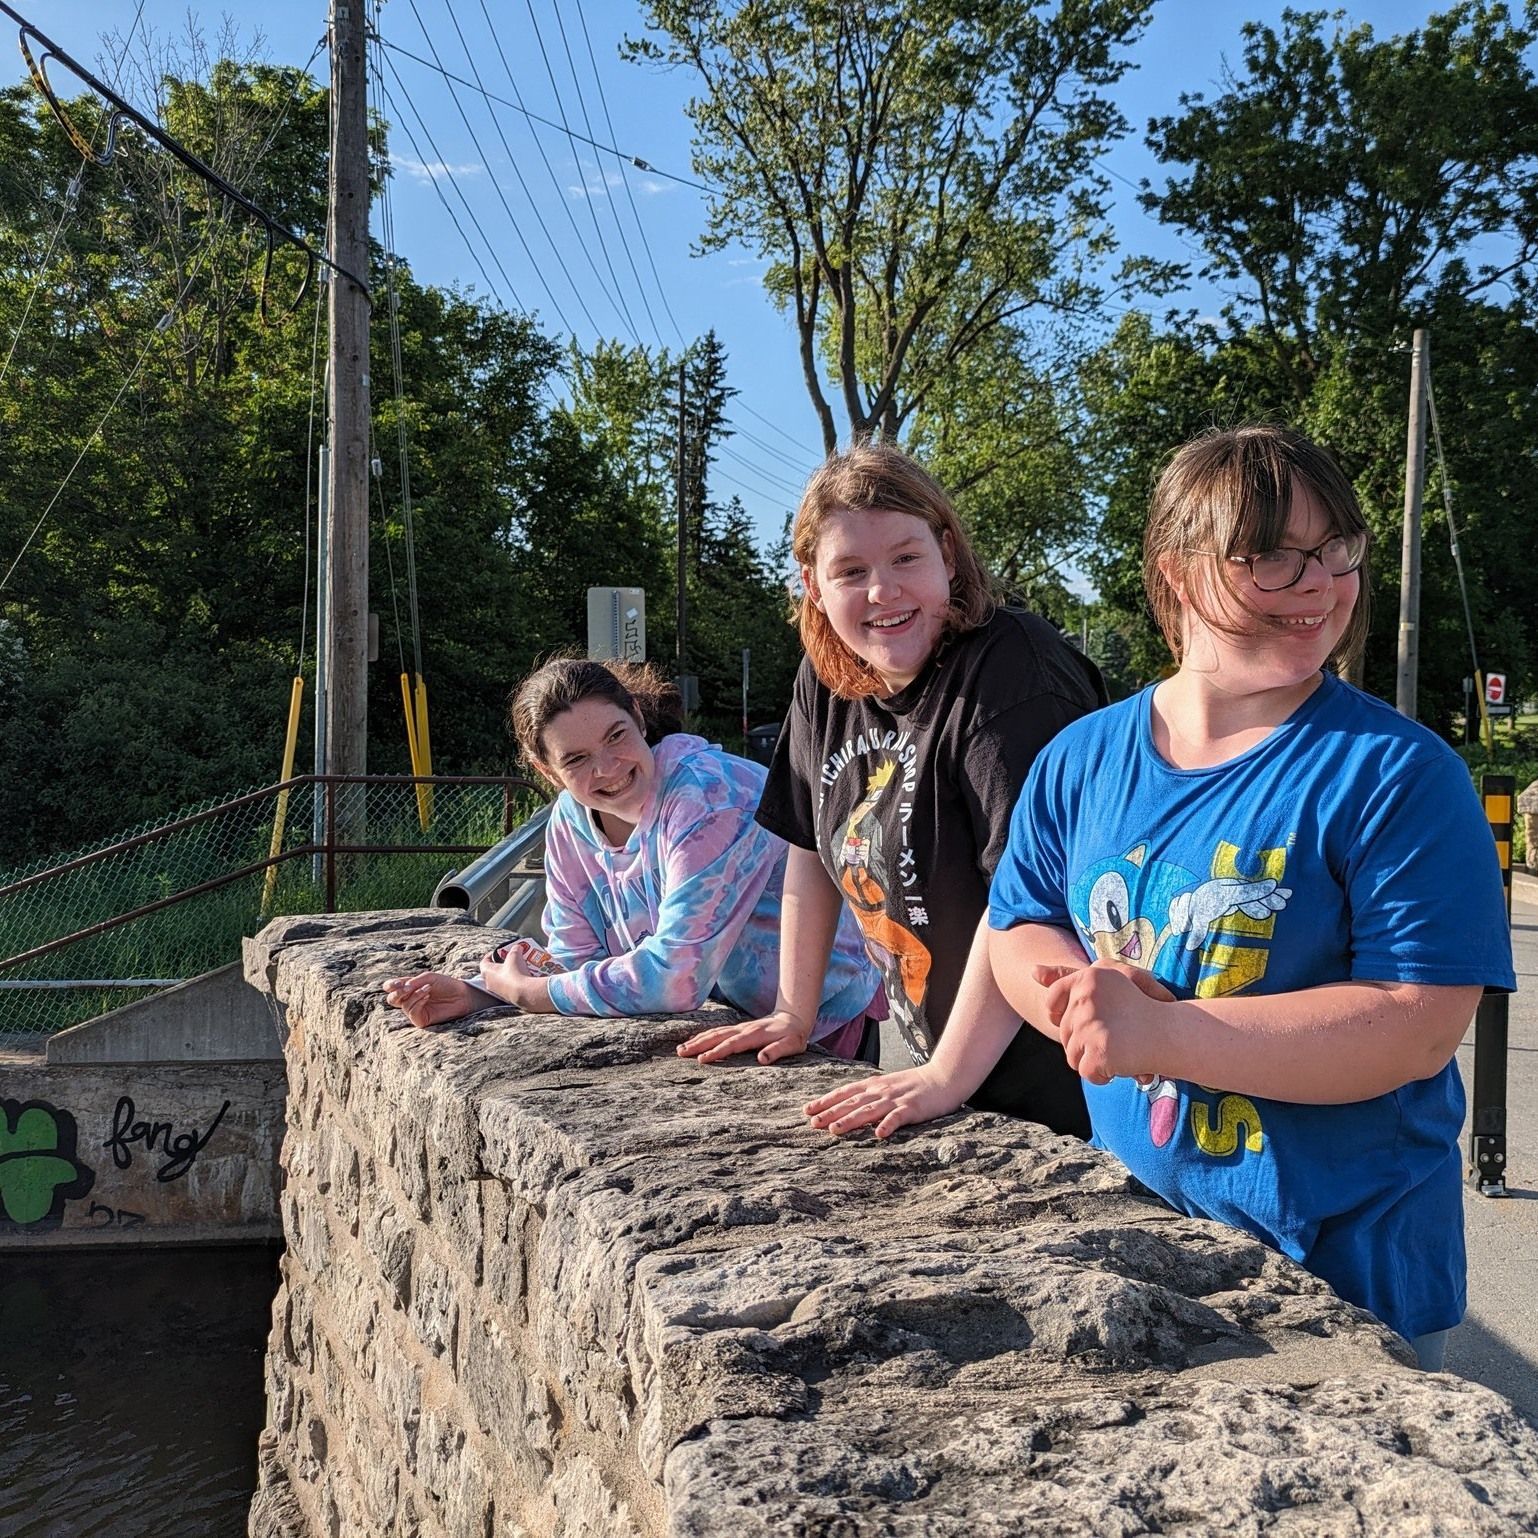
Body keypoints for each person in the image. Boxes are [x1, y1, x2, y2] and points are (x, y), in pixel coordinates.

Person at [809, 425, 1513, 1368]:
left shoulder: (1398, 774)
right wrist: (1080, 999)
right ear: (1180, 575)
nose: (1318, 582)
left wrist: (1164, 1035)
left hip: (1350, 1267)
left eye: (1335, 548)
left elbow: (1417, 1024)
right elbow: (1020, 923)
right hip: (1146, 1238)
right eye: (1270, 556)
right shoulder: (1082, 758)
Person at [679, 442, 1106, 1136]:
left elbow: (1029, 904)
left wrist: (947, 1077)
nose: (882, 591)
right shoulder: (825, 681)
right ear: (813, 586)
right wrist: (795, 1011)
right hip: (958, 1072)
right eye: (851, 571)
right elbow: (808, 846)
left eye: (906, 558)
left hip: (1067, 1080)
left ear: (947, 554)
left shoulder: (1012, 674)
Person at [385, 657, 881, 1058]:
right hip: (725, 1022)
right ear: (547, 770)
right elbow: (575, 959)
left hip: (821, 1025)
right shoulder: (569, 821)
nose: (607, 768)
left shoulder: (709, 799)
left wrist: (525, 994)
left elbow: (675, 978)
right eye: (576, 759)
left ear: (639, 719)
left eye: (616, 736)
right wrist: (479, 993)